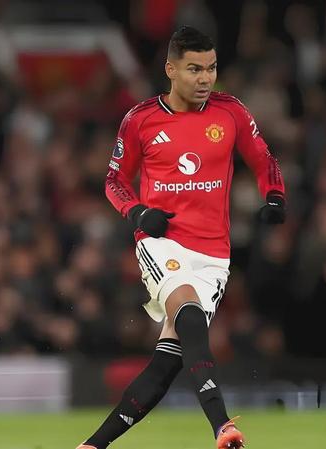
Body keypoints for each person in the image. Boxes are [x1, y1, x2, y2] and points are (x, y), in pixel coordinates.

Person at [77, 26, 286, 449]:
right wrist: (138, 212)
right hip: (161, 242)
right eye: (194, 69)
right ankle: (222, 425)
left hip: (214, 256)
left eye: (211, 68)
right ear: (171, 70)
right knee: (189, 313)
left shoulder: (230, 112)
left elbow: (263, 157)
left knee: (166, 365)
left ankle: (92, 446)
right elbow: (114, 180)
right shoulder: (141, 120)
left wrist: (275, 196)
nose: (205, 78)